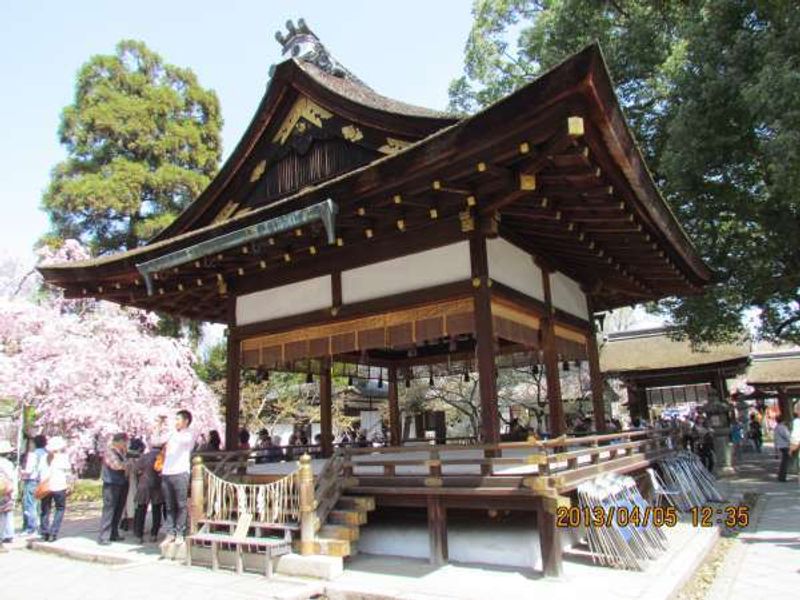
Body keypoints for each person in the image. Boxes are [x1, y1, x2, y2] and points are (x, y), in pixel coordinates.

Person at [161, 410, 195, 545]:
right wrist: (159, 427)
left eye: (178, 419)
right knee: (169, 505)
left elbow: (182, 441)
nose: (175, 422)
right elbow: (156, 441)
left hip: (180, 472)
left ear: (186, 421)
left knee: (181, 505)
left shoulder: (188, 434)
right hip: (167, 472)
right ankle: (170, 532)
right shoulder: (171, 434)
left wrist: (171, 430)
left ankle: (180, 532)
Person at [98, 433, 129, 545]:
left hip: (121, 483)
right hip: (111, 483)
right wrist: (126, 465)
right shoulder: (109, 451)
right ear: (120, 441)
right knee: (109, 509)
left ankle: (114, 533)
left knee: (118, 509)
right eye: (125, 442)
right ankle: (104, 536)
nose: (126, 444)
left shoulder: (122, 452)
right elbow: (116, 465)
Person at [40, 436, 72, 542]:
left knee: (45, 509)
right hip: (59, 486)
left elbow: (39, 472)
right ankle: (54, 532)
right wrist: (70, 484)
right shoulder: (63, 458)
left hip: (46, 486)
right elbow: (68, 474)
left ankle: (45, 531)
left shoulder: (43, 457)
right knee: (60, 509)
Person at [133, 440, 164, 543]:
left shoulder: (144, 456)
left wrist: (141, 473)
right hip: (157, 485)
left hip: (144, 484)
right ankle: (154, 534)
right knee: (156, 510)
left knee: (141, 510)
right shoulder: (163, 457)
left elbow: (135, 469)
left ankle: (139, 535)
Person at [20, 434, 48, 536]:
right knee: (41, 505)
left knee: (30, 504)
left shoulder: (33, 454)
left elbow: (29, 470)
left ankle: (31, 528)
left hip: (32, 481)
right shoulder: (47, 453)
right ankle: (41, 526)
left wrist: (22, 472)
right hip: (43, 482)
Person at [0, 440, 16, 548]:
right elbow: (12, 478)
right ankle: (8, 533)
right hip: (7, 490)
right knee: (7, 512)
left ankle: (3, 534)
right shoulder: (9, 464)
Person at [773, 417, 791, 482]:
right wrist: (792, 440)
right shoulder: (782, 427)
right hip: (785, 445)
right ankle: (782, 477)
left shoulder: (777, 427)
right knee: (784, 462)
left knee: (783, 462)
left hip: (780, 445)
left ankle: (781, 476)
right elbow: (786, 436)